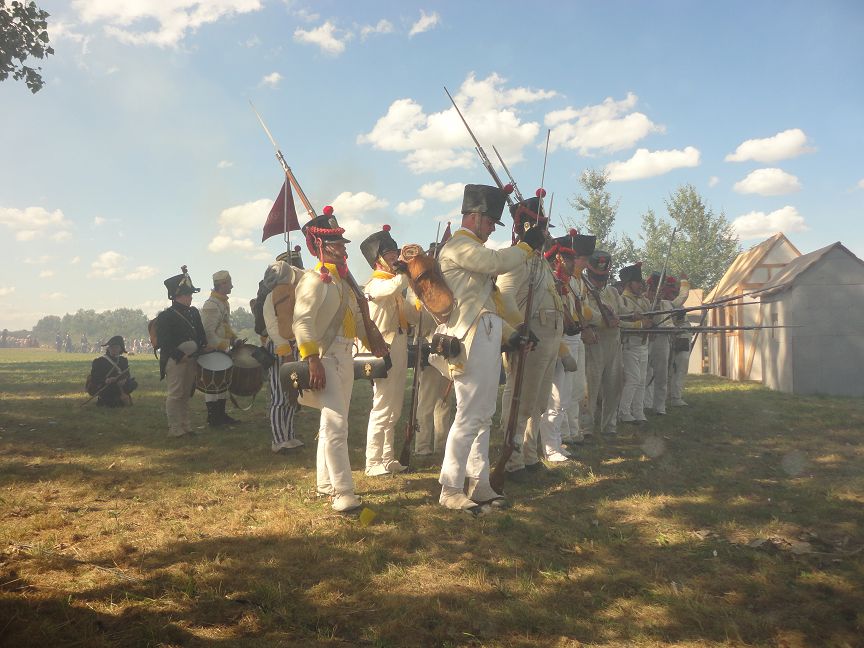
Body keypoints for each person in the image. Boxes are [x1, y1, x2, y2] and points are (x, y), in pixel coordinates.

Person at [433, 184, 545, 511]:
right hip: (469, 339)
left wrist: (513, 335)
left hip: (485, 335)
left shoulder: (474, 251)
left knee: (484, 416)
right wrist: (526, 246)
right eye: (490, 222)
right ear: (474, 216)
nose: (492, 228)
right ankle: (450, 488)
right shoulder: (459, 246)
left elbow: (488, 306)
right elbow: (496, 262)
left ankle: (479, 483)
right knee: (469, 415)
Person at [293, 207, 383, 513]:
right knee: (336, 425)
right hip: (325, 357)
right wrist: (311, 359)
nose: (343, 249)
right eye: (337, 244)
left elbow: (356, 321)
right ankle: (344, 493)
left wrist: (374, 342)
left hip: (345, 356)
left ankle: (325, 483)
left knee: (332, 422)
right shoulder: (315, 280)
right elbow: (302, 321)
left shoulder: (343, 283)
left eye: (342, 243)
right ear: (322, 246)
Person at [497, 191, 569, 477]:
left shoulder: (541, 263)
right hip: (530, 339)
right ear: (528, 229)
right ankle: (511, 460)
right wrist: (520, 329)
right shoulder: (517, 260)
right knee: (521, 401)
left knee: (538, 403)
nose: (546, 234)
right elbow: (504, 297)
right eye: (542, 228)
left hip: (548, 341)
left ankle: (529, 455)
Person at [360, 225, 417, 476]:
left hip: (400, 345)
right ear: (378, 260)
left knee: (395, 406)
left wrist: (418, 291)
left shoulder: (396, 285)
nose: (395, 257)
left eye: (395, 253)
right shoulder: (374, 285)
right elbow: (394, 286)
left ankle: (387, 457)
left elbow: (412, 315)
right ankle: (372, 461)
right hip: (383, 349)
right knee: (382, 405)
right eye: (390, 255)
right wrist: (406, 270)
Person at [155, 267, 208, 437]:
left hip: (192, 358)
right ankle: (174, 427)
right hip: (175, 359)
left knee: (186, 394)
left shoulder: (193, 313)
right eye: (187, 294)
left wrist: (202, 348)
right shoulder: (165, 316)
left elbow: (200, 334)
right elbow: (165, 342)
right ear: (177, 296)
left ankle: (186, 426)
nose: (191, 297)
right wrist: (180, 356)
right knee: (176, 393)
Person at [262, 246, 305, 452]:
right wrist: (286, 351)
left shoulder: (295, 292)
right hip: (281, 348)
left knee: (291, 395)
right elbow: (273, 328)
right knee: (279, 397)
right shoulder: (270, 299)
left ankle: (289, 435)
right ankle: (279, 440)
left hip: (296, 346)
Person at [581, 250, 624, 436]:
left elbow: (622, 313)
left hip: (613, 342)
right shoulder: (583, 290)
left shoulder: (612, 292)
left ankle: (609, 426)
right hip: (594, 342)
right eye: (596, 277)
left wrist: (635, 318)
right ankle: (586, 427)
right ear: (589, 272)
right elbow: (583, 312)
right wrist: (603, 320)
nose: (600, 281)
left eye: (603, 277)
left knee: (614, 385)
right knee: (590, 387)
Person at [563, 233, 597, 443]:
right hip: (567, 334)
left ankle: (574, 430)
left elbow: (583, 307)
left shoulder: (579, 281)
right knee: (566, 387)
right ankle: (565, 433)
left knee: (577, 386)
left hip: (578, 334)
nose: (585, 264)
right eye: (582, 259)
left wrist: (593, 318)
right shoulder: (565, 279)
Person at [643, 273, 690, 415]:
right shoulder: (643, 302)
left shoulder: (668, 304)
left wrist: (684, 281)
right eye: (654, 290)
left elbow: (682, 297)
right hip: (644, 339)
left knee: (661, 374)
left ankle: (659, 406)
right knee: (644, 374)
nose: (657, 293)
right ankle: (645, 404)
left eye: (659, 290)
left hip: (663, 339)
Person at [200, 270, 240, 426]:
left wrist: (234, 339)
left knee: (222, 384)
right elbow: (208, 333)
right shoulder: (211, 305)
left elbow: (225, 326)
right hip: (212, 350)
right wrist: (224, 345)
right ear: (222, 284)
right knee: (213, 384)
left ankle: (221, 415)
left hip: (221, 350)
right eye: (229, 283)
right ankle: (213, 418)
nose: (232, 286)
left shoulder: (223, 303)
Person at [617, 263, 654, 424]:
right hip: (629, 344)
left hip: (643, 344)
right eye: (637, 282)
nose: (641, 285)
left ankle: (638, 412)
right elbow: (618, 323)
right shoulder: (622, 301)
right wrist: (639, 324)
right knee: (633, 379)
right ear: (628, 283)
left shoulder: (644, 301)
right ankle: (624, 412)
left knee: (642, 380)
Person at [89, 335, 137, 407]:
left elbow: (127, 374)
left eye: (116, 347)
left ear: (120, 349)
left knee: (132, 384)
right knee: (111, 397)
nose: (114, 349)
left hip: (120, 385)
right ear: (108, 348)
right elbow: (94, 377)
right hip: (106, 385)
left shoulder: (123, 361)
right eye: (112, 347)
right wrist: (106, 380)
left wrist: (124, 379)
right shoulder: (99, 361)